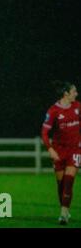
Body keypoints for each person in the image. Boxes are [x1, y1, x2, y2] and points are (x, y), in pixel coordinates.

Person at [41, 81, 80, 225]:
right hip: (59, 151)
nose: (76, 94)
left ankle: (63, 214)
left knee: (69, 182)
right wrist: (50, 149)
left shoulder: (78, 107)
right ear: (66, 94)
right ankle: (65, 209)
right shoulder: (53, 111)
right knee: (61, 184)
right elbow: (44, 132)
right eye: (74, 91)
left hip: (75, 149)